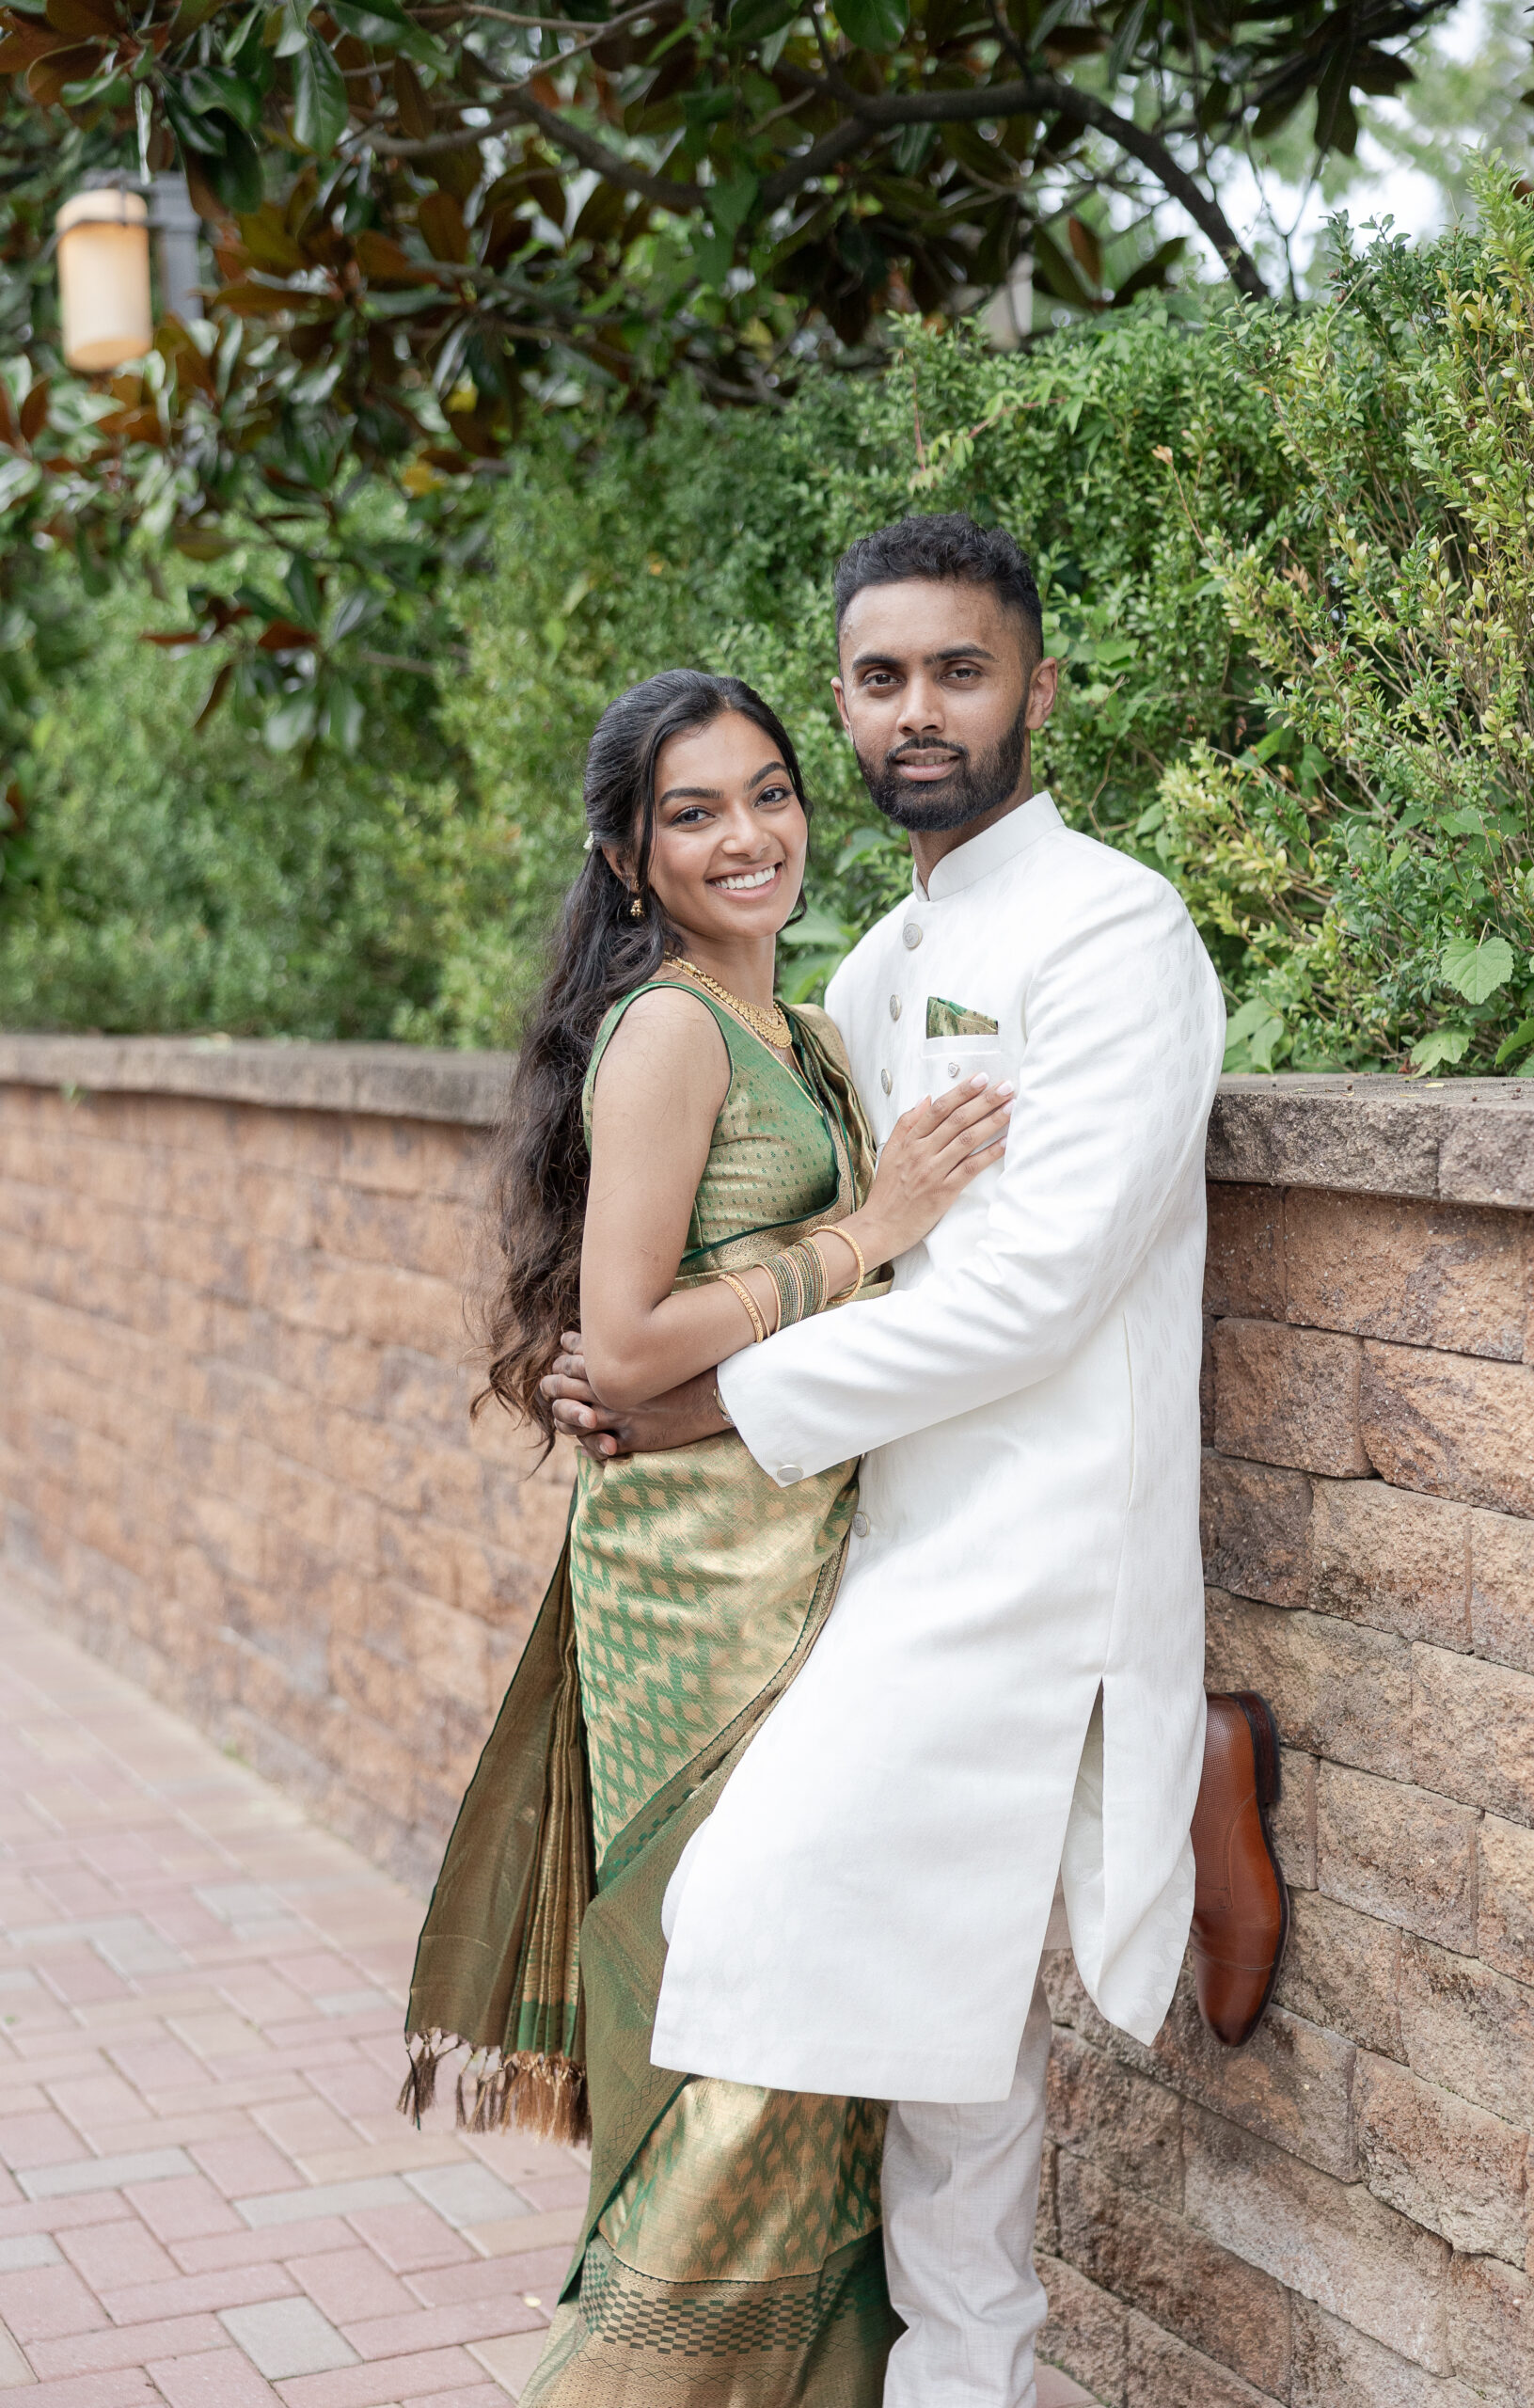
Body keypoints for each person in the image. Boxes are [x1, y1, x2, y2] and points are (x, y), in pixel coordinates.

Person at [544, 515, 1288, 2408]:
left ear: (1033, 688)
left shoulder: (1115, 930)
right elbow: (794, 1226)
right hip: (870, 1536)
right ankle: (958, 2375)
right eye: (877, 678)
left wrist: (701, 1401)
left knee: (754, 1920)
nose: (916, 710)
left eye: (957, 669)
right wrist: (610, 1361)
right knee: (935, 2050)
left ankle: (1172, 1754)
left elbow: (1031, 1297)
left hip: (1024, 1545)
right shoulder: (865, 962)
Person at [400, 665, 1013, 2404]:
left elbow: (677, 1365)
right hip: (694, 1601)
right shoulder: (671, 1032)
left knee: (806, 2031)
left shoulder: (802, 1029)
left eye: (766, 792)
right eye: (693, 813)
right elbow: (634, 1337)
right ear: (628, 858)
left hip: (801, 1562)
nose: (746, 835)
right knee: (739, 2031)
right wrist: (871, 1228)